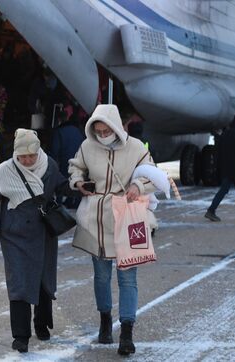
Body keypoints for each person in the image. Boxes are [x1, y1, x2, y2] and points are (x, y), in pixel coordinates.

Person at [68, 104, 158, 356]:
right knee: (101, 276)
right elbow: (75, 167)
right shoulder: (87, 146)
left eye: (105, 129)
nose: (101, 134)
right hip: (96, 219)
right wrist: (78, 181)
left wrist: (138, 186)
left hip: (128, 216)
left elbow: (153, 175)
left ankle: (127, 332)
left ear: (116, 127)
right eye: (97, 130)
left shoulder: (137, 148)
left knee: (128, 278)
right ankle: (105, 320)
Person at [0, 129, 73, 353]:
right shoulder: (5, 170)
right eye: (22, 156)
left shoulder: (49, 165)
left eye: (31, 156)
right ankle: (21, 336)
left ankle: (41, 324)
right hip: (14, 234)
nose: (27, 160)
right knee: (20, 283)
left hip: (43, 232)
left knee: (43, 279)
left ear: (38, 150)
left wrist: (79, 186)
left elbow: (61, 185)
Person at [49, 106, 85, 208]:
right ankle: (74, 202)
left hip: (65, 159)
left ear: (60, 120)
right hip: (78, 158)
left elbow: (55, 149)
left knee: (63, 182)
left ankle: (59, 204)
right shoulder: (78, 130)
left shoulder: (59, 131)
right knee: (76, 179)